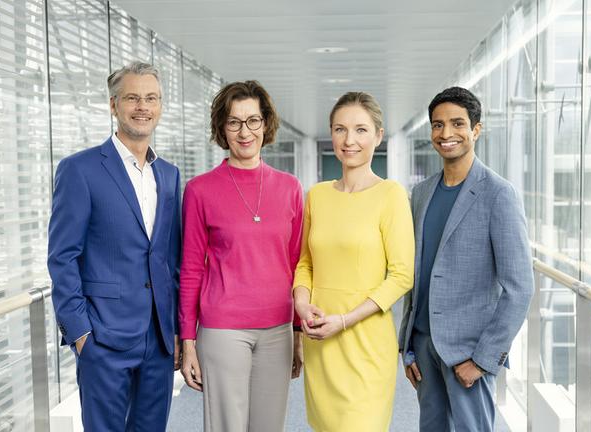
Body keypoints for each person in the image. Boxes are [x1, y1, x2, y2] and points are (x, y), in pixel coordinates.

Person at [48, 61, 182, 431]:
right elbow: (62, 257)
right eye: (132, 98)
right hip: (102, 338)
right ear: (113, 105)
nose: (143, 106)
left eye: (151, 98)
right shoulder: (80, 169)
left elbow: (170, 257)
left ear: (160, 106)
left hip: (157, 340)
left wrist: (175, 329)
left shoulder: (168, 175)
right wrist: (80, 335)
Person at [398, 86, 534, 431]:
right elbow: (418, 273)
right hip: (425, 346)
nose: (446, 134)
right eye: (437, 125)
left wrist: (484, 359)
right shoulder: (422, 193)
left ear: (476, 129)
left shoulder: (498, 194)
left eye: (457, 124)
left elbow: (519, 288)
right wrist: (409, 346)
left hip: (468, 352)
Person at [178, 80, 304, 432]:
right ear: (222, 128)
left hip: (278, 329)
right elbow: (190, 269)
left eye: (253, 121)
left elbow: (297, 265)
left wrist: (297, 334)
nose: (244, 131)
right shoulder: (200, 190)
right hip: (222, 330)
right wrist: (188, 342)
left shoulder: (290, 188)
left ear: (266, 124)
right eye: (234, 122)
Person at [293, 91, 415, 431]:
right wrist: (302, 306)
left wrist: (345, 320)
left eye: (361, 130)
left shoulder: (390, 195)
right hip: (320, 340)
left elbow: (402, 275)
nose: (349, 140)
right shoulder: (316, 195)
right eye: (340, 129)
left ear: (378, 135)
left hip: (364, 343)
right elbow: (305, 263)